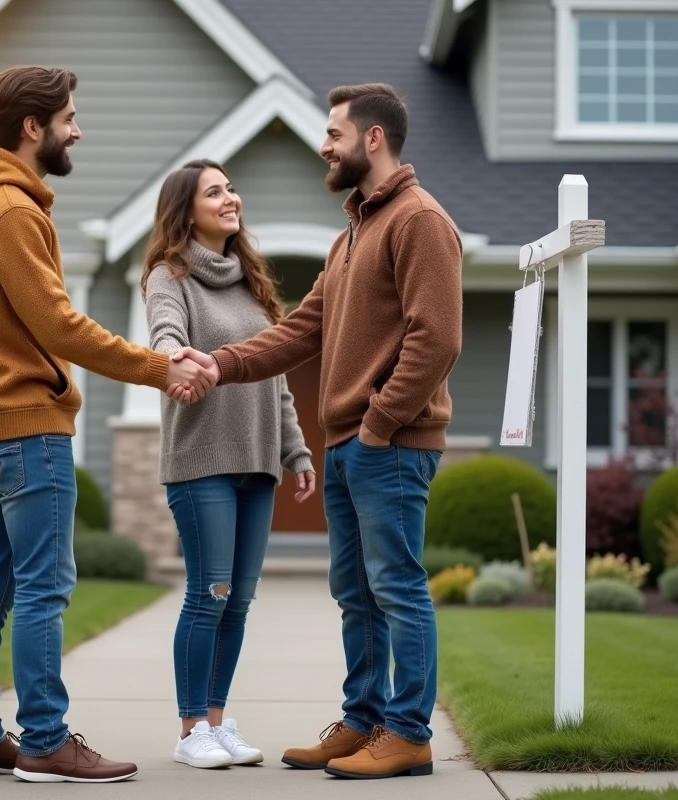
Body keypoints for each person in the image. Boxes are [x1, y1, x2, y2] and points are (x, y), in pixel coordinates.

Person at [172, 83, 463, 780]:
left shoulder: (419, 221)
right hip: (349, 446)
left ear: (371, 139)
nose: (322, 145)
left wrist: (379, 425)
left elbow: (439, 338)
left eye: (333, 133)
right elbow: (302, 330)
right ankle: (363, 721)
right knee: (355, 595)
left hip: (387, 446)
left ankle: (409, 732)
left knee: (396, 588)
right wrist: (220, 362)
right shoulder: (353, 233)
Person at [0, 66, 215, 784]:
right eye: (68, 118)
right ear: (33, 128)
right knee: (41, 589)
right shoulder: (10, 211)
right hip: (27, 428)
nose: (77, 129)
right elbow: (60, 325)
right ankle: (45, 741)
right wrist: (161, 368)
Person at [142, 159, 317, 770]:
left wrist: (294, 448)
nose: (230, 198)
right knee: (208, 594)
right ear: (185, 210)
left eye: (232, 188)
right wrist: (172, 363)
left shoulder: (252, 283)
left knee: (238, 600)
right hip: (201, 462)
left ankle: (217, 721)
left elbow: (278, 379)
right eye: (215, 191)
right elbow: (164, 334)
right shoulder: (170, 276)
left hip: (258, 462)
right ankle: (191, 728)